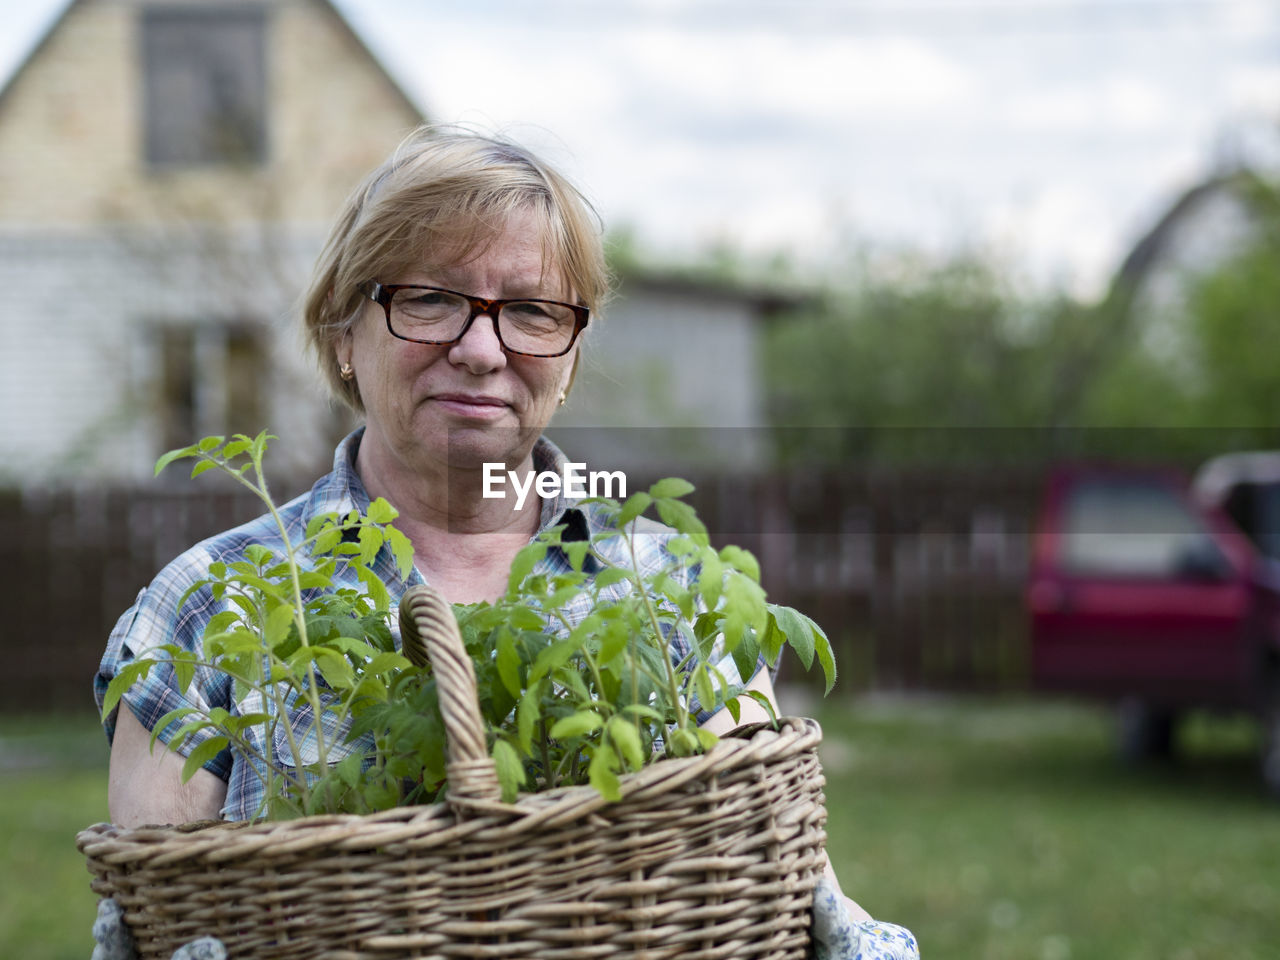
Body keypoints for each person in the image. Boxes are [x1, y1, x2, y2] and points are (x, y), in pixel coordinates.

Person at [93, 126, 917, 959]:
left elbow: (780, 895)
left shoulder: (678, 594)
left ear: (568, 357)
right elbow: (165, 922)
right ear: (344, 335)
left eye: (529, 311)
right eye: (430, 299)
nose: (482, 350)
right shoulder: (209, 600)